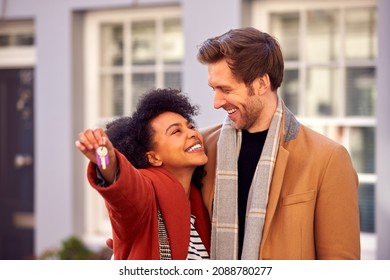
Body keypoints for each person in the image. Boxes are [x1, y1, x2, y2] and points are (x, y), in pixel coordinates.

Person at [196, 27, 361, 260]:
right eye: (214, 89)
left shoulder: (328, 159)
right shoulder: (201, 148)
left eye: (226, 89)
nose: (216, 102)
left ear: (262, 83)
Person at [75, 88, 211, 260]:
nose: (193, 133)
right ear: (153, 157)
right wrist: (106, 159)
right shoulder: (147, 190)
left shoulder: (198, 199)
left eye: (190, 126)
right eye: (177, 131)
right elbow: (127, 188)